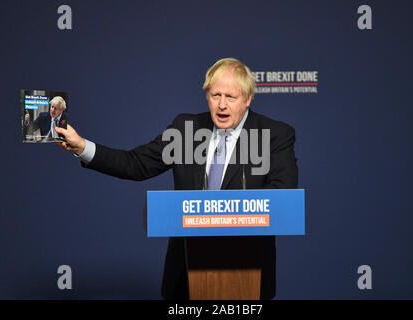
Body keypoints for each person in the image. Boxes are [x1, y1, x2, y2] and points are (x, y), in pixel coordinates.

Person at [55, 58, 298, 299]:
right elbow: (136, 164)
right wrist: (82, 147)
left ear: (248, 99)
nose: (222, 105)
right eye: (215, 95)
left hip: (247, 274)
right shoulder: (187, 129)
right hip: (186, 275)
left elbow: (282, 198)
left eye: (231, 97)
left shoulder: (274, 135)